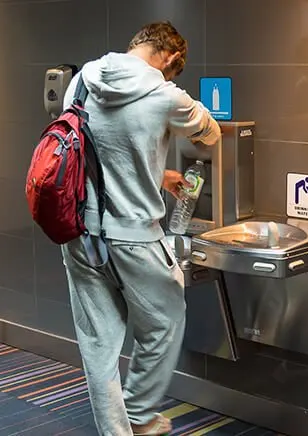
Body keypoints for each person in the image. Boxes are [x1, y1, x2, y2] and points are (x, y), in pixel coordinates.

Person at [60, 22, 221, 436]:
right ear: (169, 58)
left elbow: (101, 148)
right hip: (134, 237)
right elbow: (212, 134)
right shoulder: (166, 95)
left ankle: (118, 431)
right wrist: (182, 113)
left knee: (98, 346)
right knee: (166, 323)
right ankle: (138, 413)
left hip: (80, 233)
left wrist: (154, 173)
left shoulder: (80, 82)